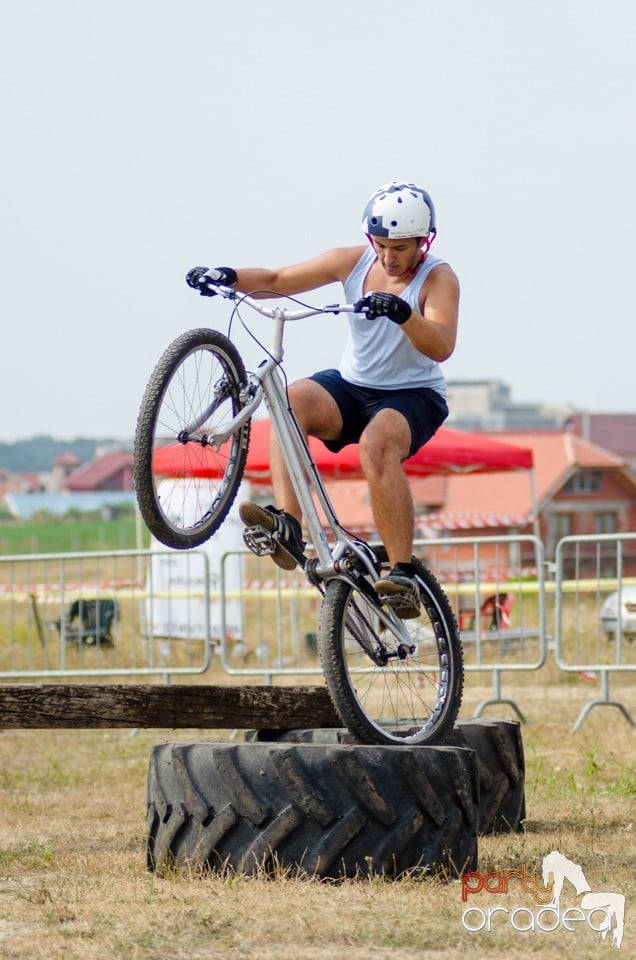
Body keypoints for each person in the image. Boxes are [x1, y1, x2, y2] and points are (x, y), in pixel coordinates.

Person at [186, 180, 459, 618]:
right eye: (382, 245)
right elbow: (277, 280)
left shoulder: (438, 277)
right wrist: (228, 276)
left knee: (377, 446)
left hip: (414, 394)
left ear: (424, 243)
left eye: (402, 248)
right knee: (291, 400)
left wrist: (403, 312)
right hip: (354, 386)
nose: (389, 257)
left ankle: (402, 572)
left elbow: (442, 344)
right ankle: (288, 525)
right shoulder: (352, 261)